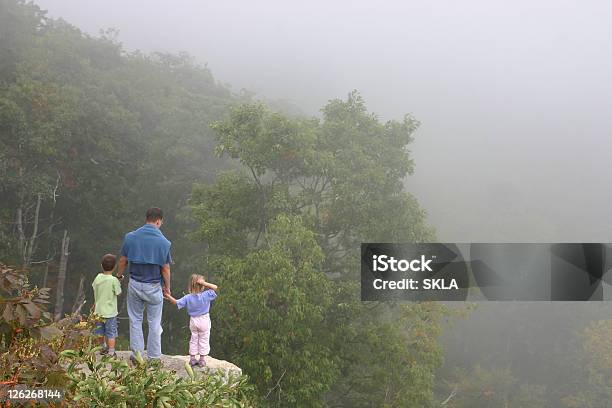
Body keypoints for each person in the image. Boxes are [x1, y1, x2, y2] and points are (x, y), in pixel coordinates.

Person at [117, 207, 172, 363]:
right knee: (154, 322)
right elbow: (166, 268)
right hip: (154, 286)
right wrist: (167, 287)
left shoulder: (131, 237)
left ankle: (137, 356)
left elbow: (123, 260)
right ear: (158, 221)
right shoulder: (164, 242)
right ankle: (154, 358)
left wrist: (119, 276)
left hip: (135, 284)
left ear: (146, 219)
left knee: (135, 320)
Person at [164, 274, 218, 367]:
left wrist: (168, 295)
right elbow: (215, 287)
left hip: (193, 320)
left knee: (194, 339)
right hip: (204, 319)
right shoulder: (206, 295)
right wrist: (204, 283)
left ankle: (192, 359)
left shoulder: (188, 297)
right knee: (204, 339)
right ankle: (202, 360)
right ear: (202, 286)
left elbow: (176, 303)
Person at [92, 253, 122, 357]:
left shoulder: (98, 277)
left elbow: (95, 288)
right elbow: (118, 292)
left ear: (101, 265)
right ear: (114, 267)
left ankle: (102, 347)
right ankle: (111, 352)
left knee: (100, 332)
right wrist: (118, 281)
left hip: (98, 311)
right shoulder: (114, 280)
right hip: (110, 313)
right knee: (111, 333)